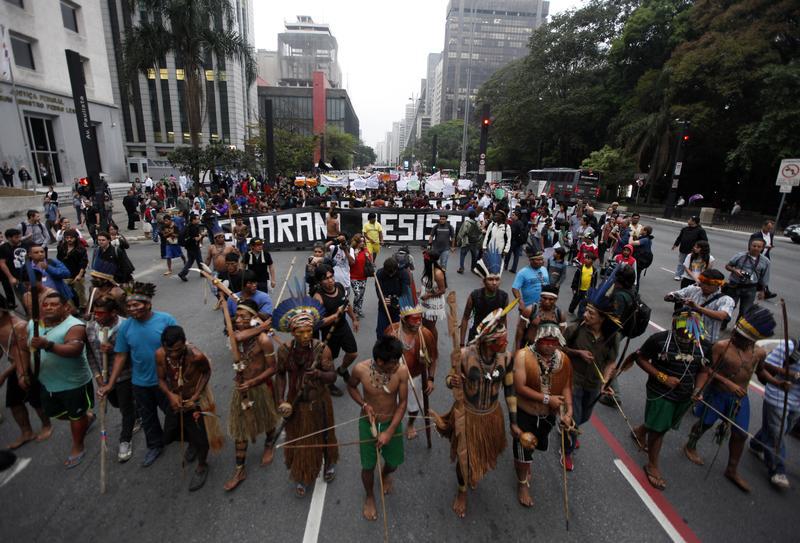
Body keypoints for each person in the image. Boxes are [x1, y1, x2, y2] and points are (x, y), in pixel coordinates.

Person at [683, 306, 782, 492]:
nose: (734, 336)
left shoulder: (758, 353)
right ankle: (690, 446)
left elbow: (761, 372)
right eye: (735, 332)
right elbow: (707, 370)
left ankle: (732, 469)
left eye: (740, 336)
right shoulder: (722, 347)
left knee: (741, 434)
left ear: (751, 340)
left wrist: (776, 382)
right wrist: (727, 383)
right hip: (717, 394)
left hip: (739, 399)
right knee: (705, 423)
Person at [436, 306, 519, 518]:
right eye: (501, 339)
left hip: (491, 415)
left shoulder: (507, 358)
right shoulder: (463, 356)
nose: (506, 342)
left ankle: (472, 473)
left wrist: (514, 422)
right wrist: (451, 381)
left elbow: (509, 390)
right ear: (487, 341)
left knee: (478, 456)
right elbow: (448, 380)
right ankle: (461, 491)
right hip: (468, 415)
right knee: (464, 457)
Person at [98, 282, 177, 467]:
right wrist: (110, 383)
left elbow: (179, 346)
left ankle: (187, 440)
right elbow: (121, 356)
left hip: (165, 380)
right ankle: (155, 446)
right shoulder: (126, 327)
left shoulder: (166, 320)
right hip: (140, 382)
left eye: (137, 305)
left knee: (176, 413)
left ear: (148, 304)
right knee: (148, 418)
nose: (132, 309)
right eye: (129, 306)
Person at [631, 310, 711, 491]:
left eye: (693, 332)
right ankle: (652, 465)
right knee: (659, 429)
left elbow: (704, 370)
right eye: (685, 332)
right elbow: (640, 358)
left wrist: (698, 390)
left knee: (663, 424)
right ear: (675, 327)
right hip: (659, 392)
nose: (689, 336)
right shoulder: (659, 340)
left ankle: (640, 431)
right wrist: (662, 377)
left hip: (684, 395)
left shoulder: (704, 345)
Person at [273, 293, 339, 497]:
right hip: (296, 404)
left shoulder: (322, 349)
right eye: (301, 332)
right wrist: (282, 400)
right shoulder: (284, 351)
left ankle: (329, 462)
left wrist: (319, 373)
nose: (305, 335)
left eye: (309, 331)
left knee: (326, 434)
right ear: (293, 332)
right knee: (300, 439)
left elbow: (333, 377)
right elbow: (280, 376)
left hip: (319, 401)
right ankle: (303, 473)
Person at [26, 291, 94, 468]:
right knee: (56, 413)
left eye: (54, 304)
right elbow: (24, 349)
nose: (49, 307)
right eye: (45, 305)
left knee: (75, 416)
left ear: (66, 308)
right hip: (47, 382)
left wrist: (48, 345)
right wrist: (22, 373)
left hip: (73, 383)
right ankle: (86, 417)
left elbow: (74, 350)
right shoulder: (33, 325)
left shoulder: (75, 326)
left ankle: (78, 446)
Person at [347, 336, 409, 521]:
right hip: (368, 424)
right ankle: (370, 496)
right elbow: (351, 388)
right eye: (393, 362)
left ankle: (384, 474)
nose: (397, 365)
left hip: (392, 423)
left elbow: (403, 402)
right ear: (380, 361)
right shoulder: (360, 370)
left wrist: (389, 432)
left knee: (393, 464)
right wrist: (364, 404)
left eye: (398, 360)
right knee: (367, 467)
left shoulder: (401, 372)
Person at [156, 325, 224, 491]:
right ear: (164, 345)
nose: (173, 354)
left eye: (178, 350)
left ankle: (202, 465)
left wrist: (195, 396)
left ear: (184, 344)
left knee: (202, 439)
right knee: (171, 434)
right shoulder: (160, 355)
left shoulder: (196, 356)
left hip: (195, 401)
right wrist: (171, 395)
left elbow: (206, 373)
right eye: (169, 349)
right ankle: (192, 443)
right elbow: (160, 379)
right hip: (176, 401)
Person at [512, 322, 573, 507]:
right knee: (523, 450)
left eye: (554, 342)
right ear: (537, 340)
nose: (550, 345)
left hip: (547, 417)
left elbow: (566, 388)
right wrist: (548, 399)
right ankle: (522, 483)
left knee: (534, 447)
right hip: (525, 414)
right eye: (546, 341)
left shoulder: (563, 360)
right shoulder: (523, 356)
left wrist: (568, 412)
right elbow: (519, 388)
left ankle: (526, 463)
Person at [223, 300, 281, 491]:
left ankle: (269, 443)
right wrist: (260, 326)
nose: (238, 320)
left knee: (268, 420)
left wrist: (252, 382)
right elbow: (234, 337)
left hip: (260, 387)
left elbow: (273, 368)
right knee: (241, 428)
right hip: (242, 389)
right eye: (237, 316)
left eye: (243, 317)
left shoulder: (263, 340)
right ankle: (240, 469)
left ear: (254, 319)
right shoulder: (238, 335)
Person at [560, 287, 620, 470]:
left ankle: (571, 431)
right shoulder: (574, 330)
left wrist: (605, 381)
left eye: (591, 313)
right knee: (574, 418)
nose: (585, 315)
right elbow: (560, 349)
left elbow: (611, 362)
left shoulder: (612, 337)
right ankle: (567, 452)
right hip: (573, 380)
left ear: (602, 318)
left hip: (593, 383)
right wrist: (577, 353)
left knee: (584, 416)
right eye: (586, 311)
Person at [85, 296, 136, 462]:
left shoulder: (126, 326)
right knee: (116, 403)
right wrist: (98, 377)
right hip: (104, 376)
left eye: (101, 313)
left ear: (113, 312)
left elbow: (134, 354)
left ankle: (125, 440)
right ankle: (138, 413)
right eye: (95, 312)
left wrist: (115, 349)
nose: (97, 316)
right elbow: (91, 354)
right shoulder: (90, 327)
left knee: (126, 408)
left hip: (124, 375)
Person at [383, 288, 437, 440]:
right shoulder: (391, 331)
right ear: (404, 319)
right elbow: (380, 357)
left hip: (416, 376)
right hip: (393, 376)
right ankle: (391, 425)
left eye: (420, 318)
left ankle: (411, 424)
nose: (419, 322)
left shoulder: (425, 334)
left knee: (414, 408)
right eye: (414, 319)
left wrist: (431, 379)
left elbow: (433, 358)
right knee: (389, 405)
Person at [0, 295, 52, 448]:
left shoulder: (19, 327)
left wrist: (4, 374)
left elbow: (24, 355)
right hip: (15, 369)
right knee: (14, 402)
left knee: (36, 400)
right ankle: (26, 432)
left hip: (28, 366)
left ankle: (46, 425)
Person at [749, 338, 800, 489]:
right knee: (777, 434)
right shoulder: (791, 347)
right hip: (778, 395)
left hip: (797, 403)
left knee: (782, 430)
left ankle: (756, 444)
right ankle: (777, 470)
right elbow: (765, 365)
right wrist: (789, 374)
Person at [314, 265, 359, 397]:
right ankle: (330, 383)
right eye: (326, 279)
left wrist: (354, 319)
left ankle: (343, 369)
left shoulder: (339, 287)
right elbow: (319, 323)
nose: (330, 280)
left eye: (331, 277)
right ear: (320, 282)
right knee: (329, 361)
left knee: (353, 354)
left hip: (343, 327)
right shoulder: (318, 298)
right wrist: (335, 315)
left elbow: (347, 304)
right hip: (329, 332)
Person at [665, 269, 734, 343]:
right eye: (703, 283)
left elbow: (721, 316)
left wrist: (697, 307)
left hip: (706, 340)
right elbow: (671, 295)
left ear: (718, 285)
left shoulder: (726, 300)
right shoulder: (693, 289)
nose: (704, 286)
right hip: (684, 336)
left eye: (709, 284)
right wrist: (672, 297)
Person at [462, 249, 509, 345]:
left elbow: (503, 320)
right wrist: (462, 344)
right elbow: (465, 318)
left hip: (494, 339)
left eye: (497, 279)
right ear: (484, 281)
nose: (494, 283)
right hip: (475, 337)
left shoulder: (504, 297)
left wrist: (503, 339)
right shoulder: (474, 295)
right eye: (490, 279)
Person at [724, 238, 770, 320]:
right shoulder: (740, 255)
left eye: (759, 247)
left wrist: (763, 291)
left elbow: (764, 277)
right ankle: (723, 324)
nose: (756, 248)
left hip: (751, 288)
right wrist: (735, 270)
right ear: (750, 246)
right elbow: (728, 266)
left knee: (745, 311)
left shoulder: (765, 261)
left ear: (762, 248)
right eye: (754, 246)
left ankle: (737, 329)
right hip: (735, 286)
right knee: (729, 307)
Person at [374, 257, 409, 339]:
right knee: (381, 332)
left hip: (399, 308)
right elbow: (379, 290)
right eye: (388, 273)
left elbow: (405, 293)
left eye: (392, 273)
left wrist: (396, 301)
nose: (390, 275)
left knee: (397, 332)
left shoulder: (403, 274)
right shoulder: (379, 273)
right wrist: (383, 298)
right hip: (384, 307)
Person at [56, 229, 88, 311]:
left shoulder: (81, 249)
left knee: (80, 293)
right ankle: (72, 309)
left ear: (75, 238)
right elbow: (58, 261)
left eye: (71, 237)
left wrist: (80, 275)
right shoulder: (61, 247)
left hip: (77, 275)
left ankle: (83, 307)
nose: (69, 239)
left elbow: (83, 263)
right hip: (65, 275)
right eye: (67, 237)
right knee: (66, 294)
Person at [420, 250, 446, 346]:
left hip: (434, 302)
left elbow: (443, 290)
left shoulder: (438, 273)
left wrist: (429, 295)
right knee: (424, 324)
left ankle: (433, 346)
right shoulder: (428, 270)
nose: (424, 261)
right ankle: (426, 344)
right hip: (425, 300)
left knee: (430, 326)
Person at [671, 216, 708, 281]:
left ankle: (688, 275)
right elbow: (679, 237)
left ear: (694, 221)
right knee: (681, 262)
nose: (688, 221)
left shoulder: (700, 230)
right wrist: (675, 244)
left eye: (689, 220)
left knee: (691, 264)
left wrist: (699, 248)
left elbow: (704, 241)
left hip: (693, 251)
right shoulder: (685, 229)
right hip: (683, 249)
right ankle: (678, 275)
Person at [749, 220, 777, 299]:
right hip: (756, 256)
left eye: (771, 228)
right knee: (755, 272)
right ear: (763, 226)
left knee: (764, 273)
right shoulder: (756, 235)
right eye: (768, 228)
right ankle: (757, 289)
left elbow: (770, 244)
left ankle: (765, 291)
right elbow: (750, 246)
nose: (769, 230)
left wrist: (770, 247)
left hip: (765, 257)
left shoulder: (771, 235)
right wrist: (764, 247)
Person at [176, 214, 204, 282]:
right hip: (194, 246)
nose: (198, 220)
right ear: (193, 220)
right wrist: (201, 236)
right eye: (197, 219)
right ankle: (203, 273)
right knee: (199, 261)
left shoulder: (187, 226)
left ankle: (183, 273)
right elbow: (196, 238)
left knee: (190, 261)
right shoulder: (193, 228)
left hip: (188, 247)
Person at [349, 234, 371, 318]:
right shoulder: (352, 250)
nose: (362, 243)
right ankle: (354, 310)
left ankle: (359, 309)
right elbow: (350, 263)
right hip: (353, 276)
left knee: (361, 295)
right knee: (357, 294)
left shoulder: (365, 250)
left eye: (363, 241)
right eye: (360, 241)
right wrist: (354, 255)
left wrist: (368, 257)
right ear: (356, 242)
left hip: (363, 277)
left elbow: (370, 261)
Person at [456, 209, 482, 274]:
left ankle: (461, 268)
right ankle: (473, 268)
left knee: (462, 255)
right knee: (474, 256)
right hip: (475, 242)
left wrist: (458, 239)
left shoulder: (466, 222)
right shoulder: (477, 223)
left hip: (467, 241)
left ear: (469, 216)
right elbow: (480, 231)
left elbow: (462, 232)